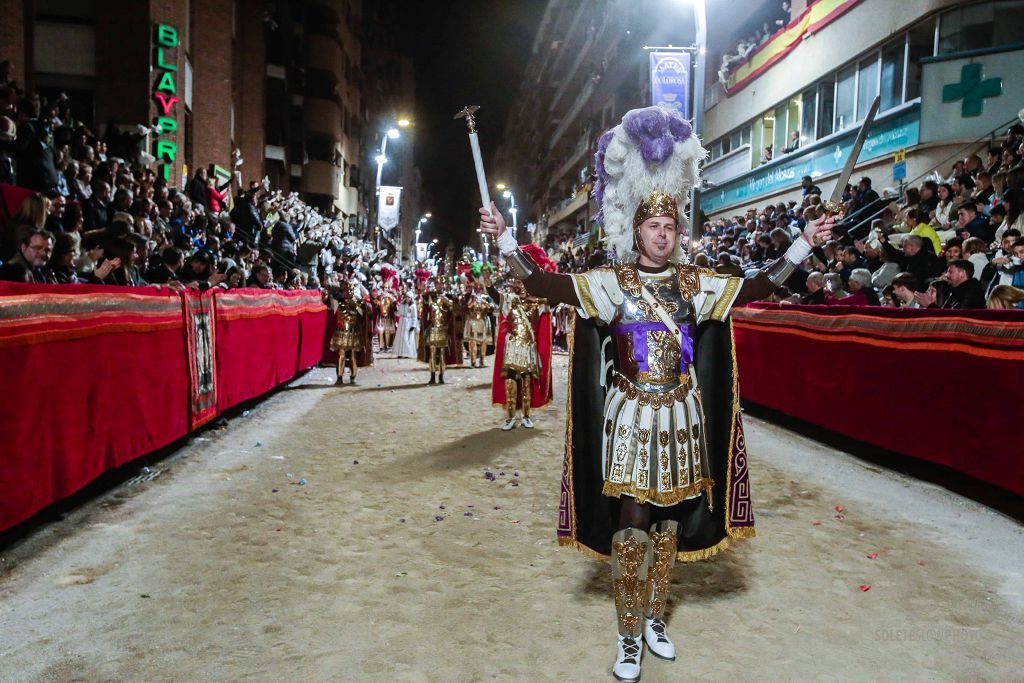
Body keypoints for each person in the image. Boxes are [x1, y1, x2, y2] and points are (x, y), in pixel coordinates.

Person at [479, 105, 832, 683]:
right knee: (632, 519)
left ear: (677, 232)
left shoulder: (697, 283)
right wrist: (506, 239)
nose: (662, 235)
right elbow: (542, 283)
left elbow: (757, 288)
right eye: (652, 227)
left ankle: (656, 618)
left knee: (670, 521)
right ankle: (627, 633)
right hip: (630, 417)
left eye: (669, 228)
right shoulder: (611, 284)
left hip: (683, 417)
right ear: (636, 231)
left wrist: (804, 244)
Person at [488, 261, 553, 431]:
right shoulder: (509, 300)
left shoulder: (538, 303)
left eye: (521, 281)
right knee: (510, 383)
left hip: (528, 349)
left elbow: (554, 301)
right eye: (517, 281)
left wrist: (546, 281)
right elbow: (494, 295)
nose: (519, 285)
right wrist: (487, 282)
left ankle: (526, 416)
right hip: (512, 350)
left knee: (526, 384)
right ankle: (510, 417)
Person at [329, 280, 369, 385]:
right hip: (341, 332)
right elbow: (329, 304)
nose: (349, 292)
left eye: (350, 290)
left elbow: (363, 314)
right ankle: (339, 377)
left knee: (352, 355)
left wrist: (355, 306)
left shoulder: (358, 302)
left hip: (354, 332)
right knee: (341, 354)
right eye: (346, 290)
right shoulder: (338, 302)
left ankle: (353, 377)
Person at [421, 286, 454, 385]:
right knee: (432, 354)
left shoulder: (446, 299)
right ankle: (432, 376)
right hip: (433, 328)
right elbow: (425, 304)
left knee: (442, 355)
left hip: (443, 329)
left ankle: (441, 376)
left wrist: (445, 299)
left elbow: (453, 307)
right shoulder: (430, 297)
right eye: (437, 283)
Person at [463, 283, 494, 369]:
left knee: (483, 342)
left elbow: (492, 308)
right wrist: (472, 301)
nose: (478, 290)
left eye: (480, 289)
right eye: (477, 289)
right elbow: (465, 308)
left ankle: (482, 361)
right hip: (473, 322)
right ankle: (473, 362)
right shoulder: (471, 297)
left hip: (483, 322)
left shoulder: (486, 297)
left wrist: (485, 302)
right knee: (472, 343)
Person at [393, 286, 420, 358]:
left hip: (409, 322)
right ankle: (400, 353)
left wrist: (413, 325)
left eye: (409, 298)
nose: (407, 299)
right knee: (401, 337)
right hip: (402, 322)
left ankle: (407, 353)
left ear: (411, 298)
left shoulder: (413, 306)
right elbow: (399, 312)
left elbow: (414, 316)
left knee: (407, 338)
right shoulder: (402, 304)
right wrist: (396, 312)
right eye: (406, 297)